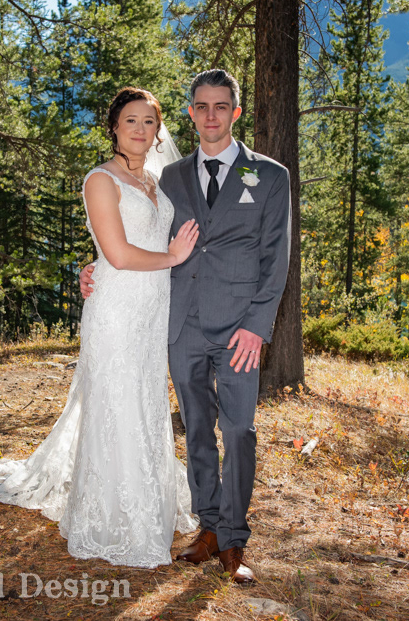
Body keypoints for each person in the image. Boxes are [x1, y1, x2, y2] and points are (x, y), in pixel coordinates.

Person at [0, 87, 200, 568]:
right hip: (117, 311)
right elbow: (121, 254)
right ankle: (113, 517)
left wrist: (95, 263)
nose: (142, 130)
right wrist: (165, 257)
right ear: (114, 127)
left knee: (144, 401)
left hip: (151, 311)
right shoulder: (100, 180)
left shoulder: (157, 179)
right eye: (131, 121)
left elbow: (128, 240)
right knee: (116, 404)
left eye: (150, 121)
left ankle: (150, 501)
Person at [80, 70, 291, 584]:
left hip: (240, 328)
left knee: (238, 430)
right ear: (191, 113)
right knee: (197, 429)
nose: (212, 115)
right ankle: (209, 527)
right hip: (181, 326)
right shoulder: (168, 177)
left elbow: (277, 259)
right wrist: (93, 271)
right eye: (202, 106)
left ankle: (236, 542)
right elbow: (133, 235)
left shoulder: (270, 175)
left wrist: (257, 327)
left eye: (222, 106)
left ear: (236, 113)